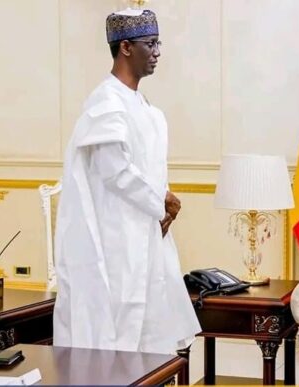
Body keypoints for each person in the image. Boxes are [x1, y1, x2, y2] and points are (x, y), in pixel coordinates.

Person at [53, 8, 201, 353]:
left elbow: (144, 167)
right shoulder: (106, 101)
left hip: (144, 229)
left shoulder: (139, 102)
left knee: (150, 330)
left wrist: (162, 202)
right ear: (126, 48)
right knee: (118, 328)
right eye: (151, 43)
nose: (158, 52)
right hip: (114, 236)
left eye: (158, 42)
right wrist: (160, 202)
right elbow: (114, 170)